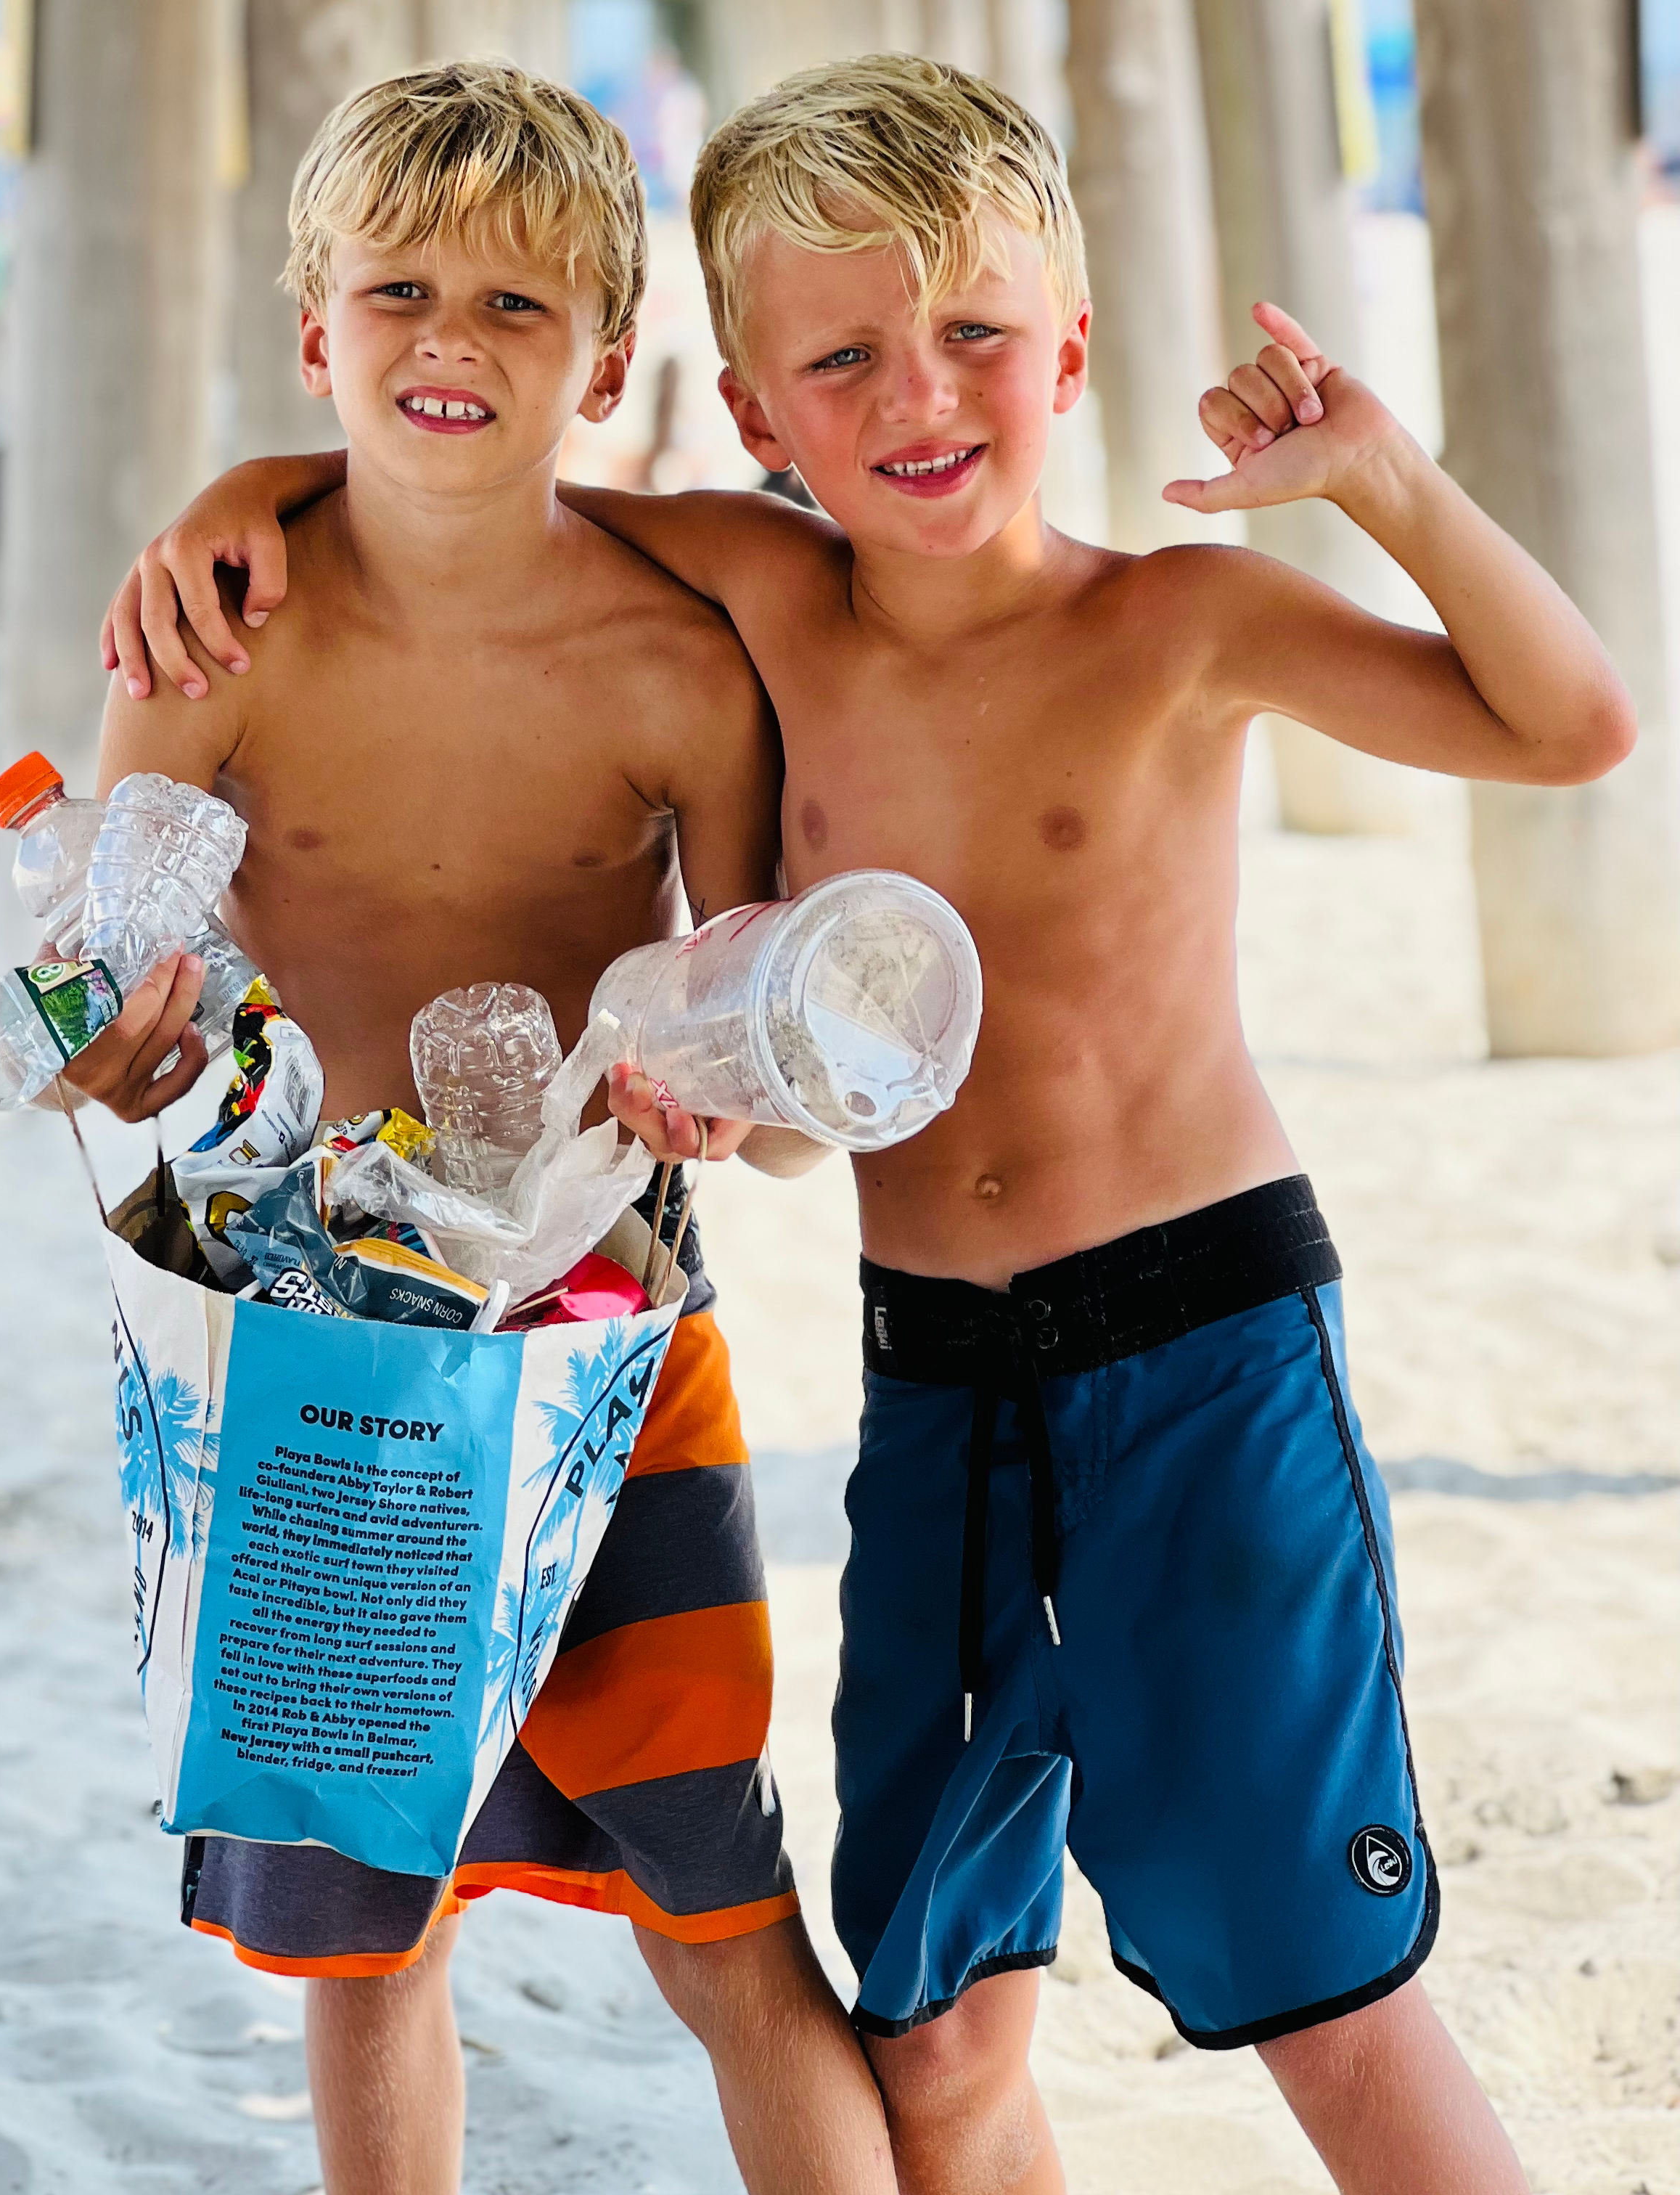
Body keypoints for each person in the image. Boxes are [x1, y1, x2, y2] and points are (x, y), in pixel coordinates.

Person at [102, 54, 1636, 2195]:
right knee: (928, 2034)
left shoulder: (1176, 625)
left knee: (1317, 1978)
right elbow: (463, 465)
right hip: (930, 1387)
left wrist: (1380, 477)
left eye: (979, 337)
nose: (918, 394)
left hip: (1197, 1336)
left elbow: (1576, 725)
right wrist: (247, 494)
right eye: (843, 357)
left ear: (1071, 348)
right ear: (753, 410)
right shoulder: (765, 598)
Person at [63, 59, 893, 2195]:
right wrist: (112, 1052)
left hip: (618, 1336)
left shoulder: (678, 670)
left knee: (725, 1914)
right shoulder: (218, 634)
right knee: (373, 1934)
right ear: (314, 329)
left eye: (521, 310)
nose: (451, 342)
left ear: (610, 366)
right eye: (399, 293)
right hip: (313, 1339)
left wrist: (738, 1110)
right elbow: (99, 999)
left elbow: (785, 1107)